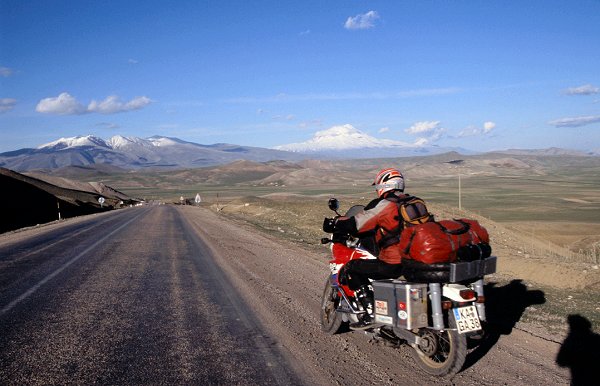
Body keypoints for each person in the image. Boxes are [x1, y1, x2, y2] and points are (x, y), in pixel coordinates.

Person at [322, 167, 431, 330]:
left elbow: (357, 224)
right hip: (416, 259)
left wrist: (334, 224)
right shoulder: (415, 202)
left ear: (383, 186)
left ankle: (369, 313)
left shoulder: (385, 204)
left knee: (351, 269)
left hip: (394, 262)